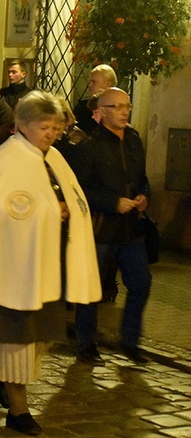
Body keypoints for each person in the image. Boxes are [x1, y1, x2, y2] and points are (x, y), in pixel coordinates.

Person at [0, 91, 101, 435]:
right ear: (22, 125)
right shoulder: (8, 160)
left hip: (47, 265)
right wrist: (52, 212)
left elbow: (63, 198)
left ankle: (2, 376)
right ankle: (18, 410)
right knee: (15, 336)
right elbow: (7, 214)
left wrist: (61, 209)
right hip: (13, 270)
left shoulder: (52, 158)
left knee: (44, 333)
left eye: (54, 127)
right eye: (43, 126)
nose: (50, 133)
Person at [71, 87, 153, 366]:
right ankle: (86, 344)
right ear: (102, 112)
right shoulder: (90, 146)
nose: (123, 111)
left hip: (131, 230)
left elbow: (142, 177)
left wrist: (144, 195)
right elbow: (79, 189)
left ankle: (130, 341)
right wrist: (111, 202)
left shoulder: (133, 141)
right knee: (91, 290)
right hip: (101, 230)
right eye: (116, 107)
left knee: (141, 283)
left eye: (126, 106)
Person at [74, 64, 117, 135]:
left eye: (94, 82)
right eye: (89, 82)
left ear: (108, 84)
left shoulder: (117, 109)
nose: (89, 85)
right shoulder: (82, 108)